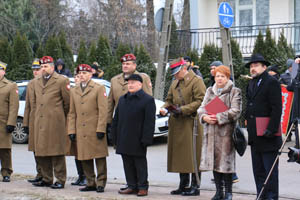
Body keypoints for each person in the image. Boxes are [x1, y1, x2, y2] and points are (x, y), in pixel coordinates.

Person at [159, 57, 206, 196]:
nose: (175, 75)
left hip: (191, 122)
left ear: (184, 69)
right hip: (177, 122)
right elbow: (169, 100)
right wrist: (164, 108)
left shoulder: (197, 81)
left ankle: (195, 186)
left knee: (193, 154)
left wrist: (183, 109)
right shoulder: (175, 83)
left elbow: (201, 101)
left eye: (177, 72)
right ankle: (183, 184)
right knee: (181, 155)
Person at [198, 65, 242, 200]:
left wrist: (218, 117)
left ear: (227, 77)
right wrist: (204, 117)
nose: (219, 78)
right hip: (210, 133)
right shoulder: (210, 90)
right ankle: (218, 192)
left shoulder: (234, 91)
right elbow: (201, 109)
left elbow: (235, 111)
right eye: (217, 76)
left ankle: (229, 192)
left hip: (226, 134)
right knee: (214, 164)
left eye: (222, 76)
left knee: (226, 164)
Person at [111, 74, 156, 197]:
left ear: (140, 85)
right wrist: (113, 135)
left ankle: (142, 187)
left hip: (138, 139)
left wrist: (146, 139)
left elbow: (149, 122)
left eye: (133, 83)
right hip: (124, 137)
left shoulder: (147, 100)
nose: (130, 85)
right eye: (129, 83)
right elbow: (117, 119)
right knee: (127, 163)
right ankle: (131, 185)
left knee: (139, 164)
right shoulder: (123, 99)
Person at [245, 54, 282, 200]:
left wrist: (271, 129)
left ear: (264, 67)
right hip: (255, 135)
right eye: (251, 66)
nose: (253, 68)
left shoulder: (271, 82)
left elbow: (277, 108)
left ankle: (272, 197)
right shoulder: (252, 83)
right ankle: (261, 194)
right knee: (258, 170)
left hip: (268, 135)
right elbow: (250, 105)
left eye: (256, 65)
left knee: (270, 171)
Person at [68, 64, 108, 193]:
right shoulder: (74, 90)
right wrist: (71, 130)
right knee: (84, 157)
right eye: (80, 73)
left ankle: (101, 182)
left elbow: (103, 110)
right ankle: (90, 182)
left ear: (91, 75)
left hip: (95, 128)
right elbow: (72, 113)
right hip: (81, 129)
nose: (82, 75)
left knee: (99, 157)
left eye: (85, 73)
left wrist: (101, 128)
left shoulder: (98, 88)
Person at [32, 56, 70, 189]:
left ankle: (60, 179)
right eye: (41, 67)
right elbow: (35, 101)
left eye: (46, 66)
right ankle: (46, 178)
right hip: (40, 121)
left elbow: (67, 103)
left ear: (52, 68)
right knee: (42, 150)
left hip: (55, 122)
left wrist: (58, 115)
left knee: (57, 151)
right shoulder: (36, 81)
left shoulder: (61, 80)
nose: (43, 69)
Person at [107, 54, 152, 146]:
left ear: (134, 65)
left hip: (137, 125)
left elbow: (148, 101)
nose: (125, 66)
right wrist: (108, 123)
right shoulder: (114, 80)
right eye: (123, 64)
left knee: (137, 156)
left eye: (128, 64)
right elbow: (110, 104)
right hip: (121, 123)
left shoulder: (143, 78)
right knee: (123, 153)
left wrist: (146, 131)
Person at [23, 59, 43, 183]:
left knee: (45, 149)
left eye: (38, 69)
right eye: (34, 70)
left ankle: (47, 174)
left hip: (45, 121)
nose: (35, 72)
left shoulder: (46, 83)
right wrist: (25, 123)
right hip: (33, 120)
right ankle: (39, 173)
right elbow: (28, 106)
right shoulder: (30, 84)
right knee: (35, 149)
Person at [0, 61, 19, 182]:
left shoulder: (10, 85)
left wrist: (11, 123)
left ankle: (6, 172)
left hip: (3, 122)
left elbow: (14, 106)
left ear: (4, 71)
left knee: (5, 149)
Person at [69, 73, 87, 187]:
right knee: (76, 153)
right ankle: (80, 176)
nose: (77, 79)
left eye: (79, 77)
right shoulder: (72, 91)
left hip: (85, 126)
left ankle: (86, 176)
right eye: (75, 77)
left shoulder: (87, 89)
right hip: (75, 126)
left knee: (84, 153)